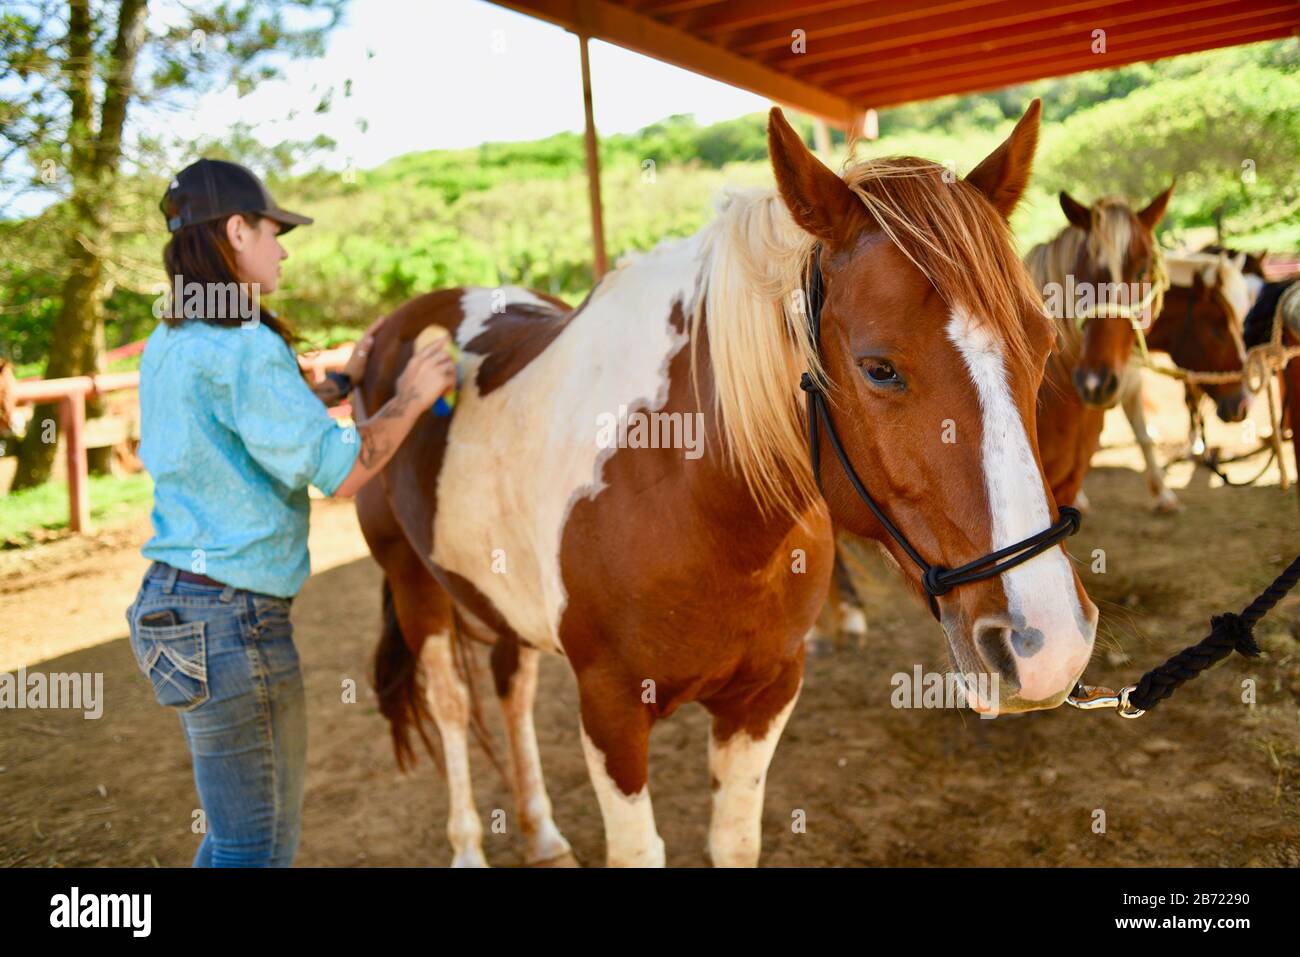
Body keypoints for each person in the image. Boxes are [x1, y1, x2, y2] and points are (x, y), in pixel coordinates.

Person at [125, 158, 453, 866]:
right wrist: (413, 396)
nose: (282, 248)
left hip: (175, 606)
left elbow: (250, 419)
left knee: (232, 836)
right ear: (236, 231)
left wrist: (344, 381)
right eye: (274, 232)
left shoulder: (170, 339)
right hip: (234, 626)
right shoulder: (244, 346)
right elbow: (342, 471)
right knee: (257, 846)